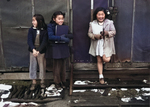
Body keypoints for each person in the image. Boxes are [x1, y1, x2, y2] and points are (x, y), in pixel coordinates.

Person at [88, 7, 116, 84]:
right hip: (97, 44)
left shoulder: (109, 22)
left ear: (105, 15)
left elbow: (114, 32)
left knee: (106, 59)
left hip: (106, 44)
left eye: (102, 14)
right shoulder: (92, 23)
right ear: (96, 15)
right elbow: (89, 33)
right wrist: (95, 36)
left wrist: (107, 33)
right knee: (99, 60)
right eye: (99, 14)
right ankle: (101, 76)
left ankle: (104, 64)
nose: (101, 16)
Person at [45, 11, 73, 89]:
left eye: (62, 19)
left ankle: (63, 81)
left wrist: (67, 36)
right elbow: (50, 36)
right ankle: (57, 82)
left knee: (63, 66)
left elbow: (71, 34)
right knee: (57, 66)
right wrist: (60, 38)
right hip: (55, 48)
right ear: (54, 19)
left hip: (64, 47)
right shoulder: (50, 26)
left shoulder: (65, 26)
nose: (61, 20)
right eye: (59, 19)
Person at [27, 14, 48, 90]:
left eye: (34, 20)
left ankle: (42, 81)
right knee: (33, 65)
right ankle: (34, 82)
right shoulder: (31, 30)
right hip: (33, 50)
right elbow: (29, 40)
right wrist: (33, 49)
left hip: (41, 51)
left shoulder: (44, 30)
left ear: (39, 21)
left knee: (42, 65)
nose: (33, 22)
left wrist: (38, 50)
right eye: (32, 20)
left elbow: (45, 42)